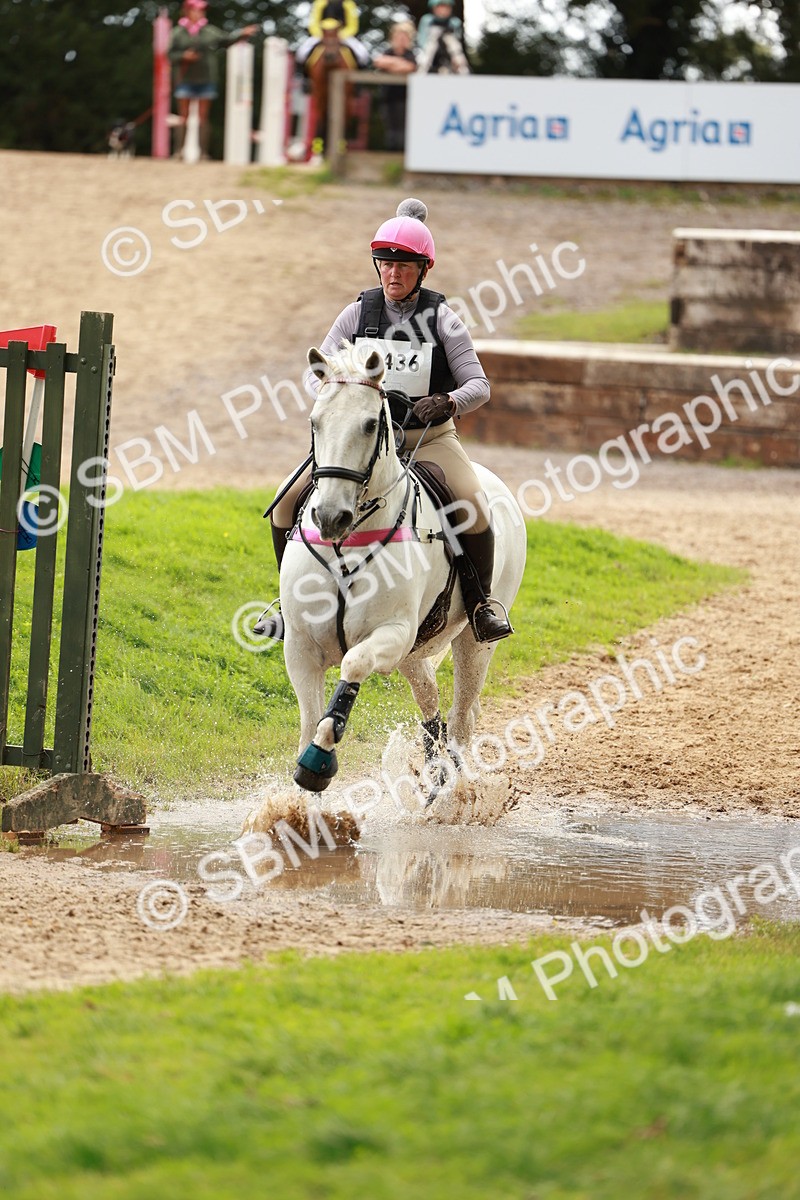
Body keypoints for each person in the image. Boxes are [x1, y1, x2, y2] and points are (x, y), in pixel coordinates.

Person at [256, 197, 513, 646]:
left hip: (425, 438)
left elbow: (480, 385)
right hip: (360, 440)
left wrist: (448, 401)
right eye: (385, 264)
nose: (393, 274)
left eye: (404, 266)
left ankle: (480, 603)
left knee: (472, 501)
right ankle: (287, 605)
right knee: (283, 501)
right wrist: (340, 393)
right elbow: (315, 372)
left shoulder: (444, 321)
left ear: (423, 269)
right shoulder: (357, 314)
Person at [168, 0, 259, 161]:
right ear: (187, 12)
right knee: (184, 116)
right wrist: (184, 56)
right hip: (185, 79)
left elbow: (227, 40)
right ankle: (179, 152)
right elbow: (169, 54)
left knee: (204, 117)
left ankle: (203, 153)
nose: (200, 13)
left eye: (202, 11)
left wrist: (241, 34)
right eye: (196, 10)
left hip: (206, 78)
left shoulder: (209, 31)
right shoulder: (177, 32)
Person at [373, 22, 417, 152]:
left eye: (404, 37)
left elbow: (410, 67)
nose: (401, 40)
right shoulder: (388, 51)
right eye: (399, 37)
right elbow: (379, 62)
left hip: (406, 99)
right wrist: (398, 63)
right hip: (388, 98)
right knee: (390, 130)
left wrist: (391, 64)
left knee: (403, 131)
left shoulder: (411, 54)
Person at [295, 0, 371, 70]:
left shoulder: (348, 3)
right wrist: (322, 35)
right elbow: (313, 24)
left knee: (362, 54)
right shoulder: (319, 3)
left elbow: (353, 26)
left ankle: (359, 76)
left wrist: (340, 35)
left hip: (343, 36)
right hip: (321, 35)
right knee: (302, 52)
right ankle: (303, 75)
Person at [417, 0, 469, 74]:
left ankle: (463, 72)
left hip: (448, 54)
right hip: (430, 52)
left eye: (446, 7)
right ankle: (421, 72)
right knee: (430, 45)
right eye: (440, 7)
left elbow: (457, 41)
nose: (443, 10)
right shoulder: (427, 20)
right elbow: (422, 40)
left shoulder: (454, 22)